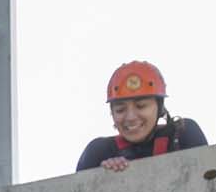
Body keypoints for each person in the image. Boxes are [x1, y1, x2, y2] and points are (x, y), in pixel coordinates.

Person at [76, 62, 208, 173]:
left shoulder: (183, 134)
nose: (130, 117)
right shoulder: (99, 152)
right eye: (120, 110)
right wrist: (103, 176)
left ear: (159, 107)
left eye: (141, 106)